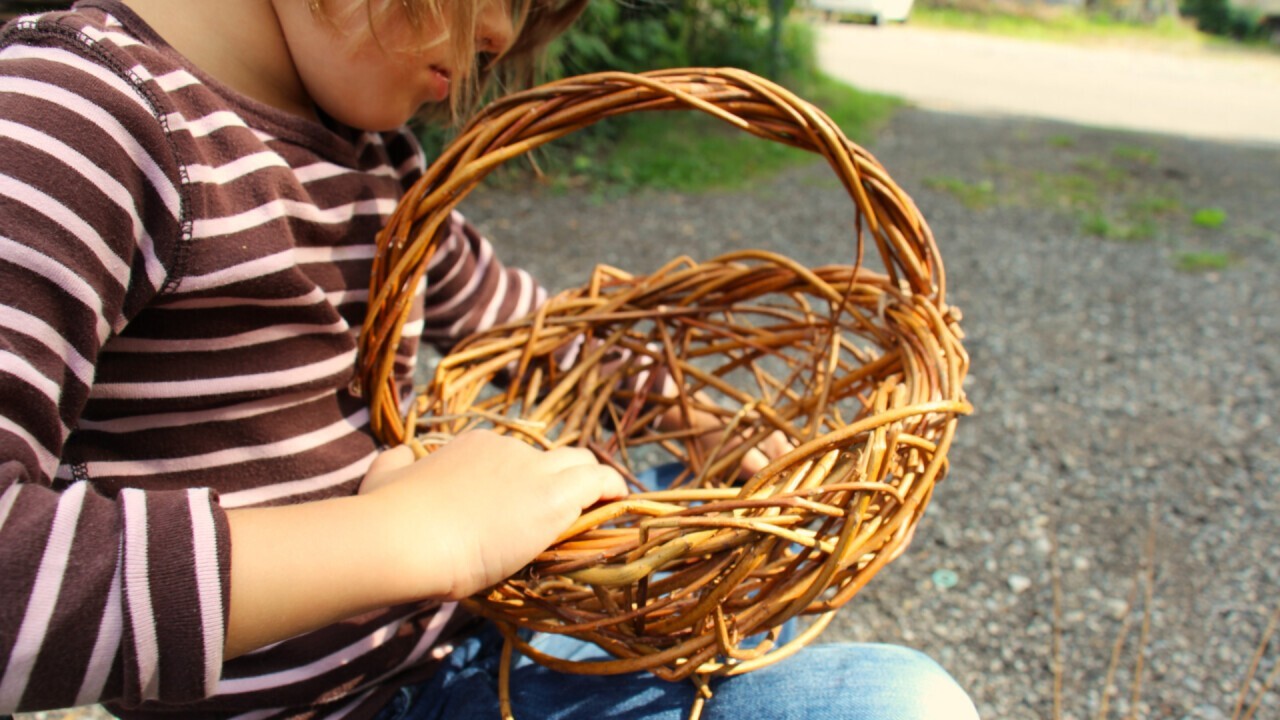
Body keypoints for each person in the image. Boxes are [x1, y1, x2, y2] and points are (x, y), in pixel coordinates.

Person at [0, 1, 981, 718]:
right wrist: (406, 537)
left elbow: (532, 336)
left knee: (677, 504)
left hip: (459, 642)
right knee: (896, 706)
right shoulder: (75, 120)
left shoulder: (373, 156)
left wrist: (708, 424)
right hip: (342, 701)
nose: (505, 37)